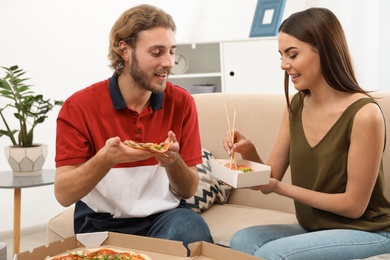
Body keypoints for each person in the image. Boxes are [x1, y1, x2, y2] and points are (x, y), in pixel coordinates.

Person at [224, 7, 390, 260]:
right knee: (242, 240)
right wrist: (249, 152)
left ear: (324, 50)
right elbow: (269, 180)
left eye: (292, 54)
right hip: (314, 227)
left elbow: (354, 206)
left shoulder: (364, 114)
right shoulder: (295, 106)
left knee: (273, 254)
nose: (283, 65)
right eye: (281, 55)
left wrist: (281, 188)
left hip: (369, 230)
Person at [54, 4, 213, 253]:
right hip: (102, 223)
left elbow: (189, 189)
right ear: (124, 50)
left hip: (166, 216)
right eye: (157, 52)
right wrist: (105, 159)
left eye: (171, 51)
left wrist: (173, 162)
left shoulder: (182, 103)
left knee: (192, 229)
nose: (169, 62)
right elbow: (63, 194)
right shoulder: (79, 106)